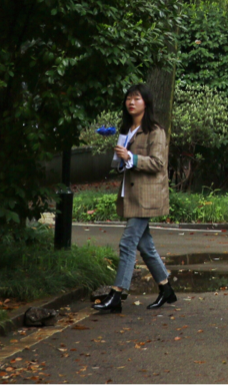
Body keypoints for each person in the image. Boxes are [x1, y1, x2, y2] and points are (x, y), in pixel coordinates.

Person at [94, 84, 176, 313]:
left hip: (146, 196)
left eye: (136, 98)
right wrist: (120, 159)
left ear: (146, 103)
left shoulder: (155, 131)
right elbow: (120, 164)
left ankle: (117, 294)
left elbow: (158, 163)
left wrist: (131, 157)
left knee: (128, 242)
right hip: (130, 194)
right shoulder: (126, 129)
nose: (131, 102)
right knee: (145, 245)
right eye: (128, 98)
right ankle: (166, 288)